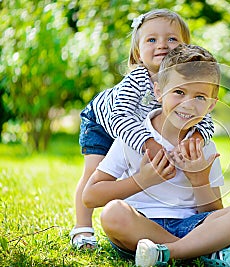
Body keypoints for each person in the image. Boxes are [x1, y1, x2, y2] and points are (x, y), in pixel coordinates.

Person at [82, 44, 230, 267]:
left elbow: (213, 213)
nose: (188, 104)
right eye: (179, 92)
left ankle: (166, 252)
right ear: (158, 92)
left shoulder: (203, 146)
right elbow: (90, 196)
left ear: (212, 104)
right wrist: (142, 181)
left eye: (200, 97)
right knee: (112, 213)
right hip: (140, 225)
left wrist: (200, 181)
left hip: (191, 224)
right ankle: (202, 252)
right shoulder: (134, 138)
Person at [70, 9, 215, 249]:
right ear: (138, 52)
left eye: (172, 39)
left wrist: (196, 137)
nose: (162, 45)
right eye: (151, 40)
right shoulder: (138, 78)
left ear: (185, 48)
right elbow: (121, 117)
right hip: (103, 121)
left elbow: (205, 119)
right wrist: (150, 143)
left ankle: (156, 231)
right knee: (93, 172)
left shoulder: (184, 80)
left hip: (136, 127)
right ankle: (82, 228)